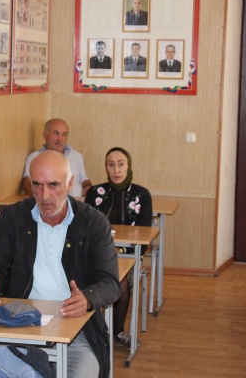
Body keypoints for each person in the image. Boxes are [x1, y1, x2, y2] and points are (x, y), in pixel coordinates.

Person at [0, 150, 120, 378]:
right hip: (19, 324)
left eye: (53, 185)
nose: (45, 195)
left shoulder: (93, 222)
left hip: (75, 329)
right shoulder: (12, 218)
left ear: (70, 183)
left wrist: (87, 298)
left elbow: (109, 283)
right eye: (37, 185)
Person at [84, 147, 153, 348]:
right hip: (98, 254)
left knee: (120, 281)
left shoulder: (141, 195)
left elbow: (144, 235)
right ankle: (92, 330)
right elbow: (86, 230)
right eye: (111, 164)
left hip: (129, 256)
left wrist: (120, 251)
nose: (116, 170)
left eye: (121, 164)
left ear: (128, 166)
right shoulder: (95, 193)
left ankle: (117, 331)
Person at [22, 118, 92, 198]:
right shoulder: (34, 158)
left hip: (77, 202)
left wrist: (87, 187)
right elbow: (27, 183)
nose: (60, 139)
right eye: (56, 133)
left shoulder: (76, 156)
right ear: (45, 135)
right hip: (47, 203)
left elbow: (84, 180)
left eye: (64, 135)